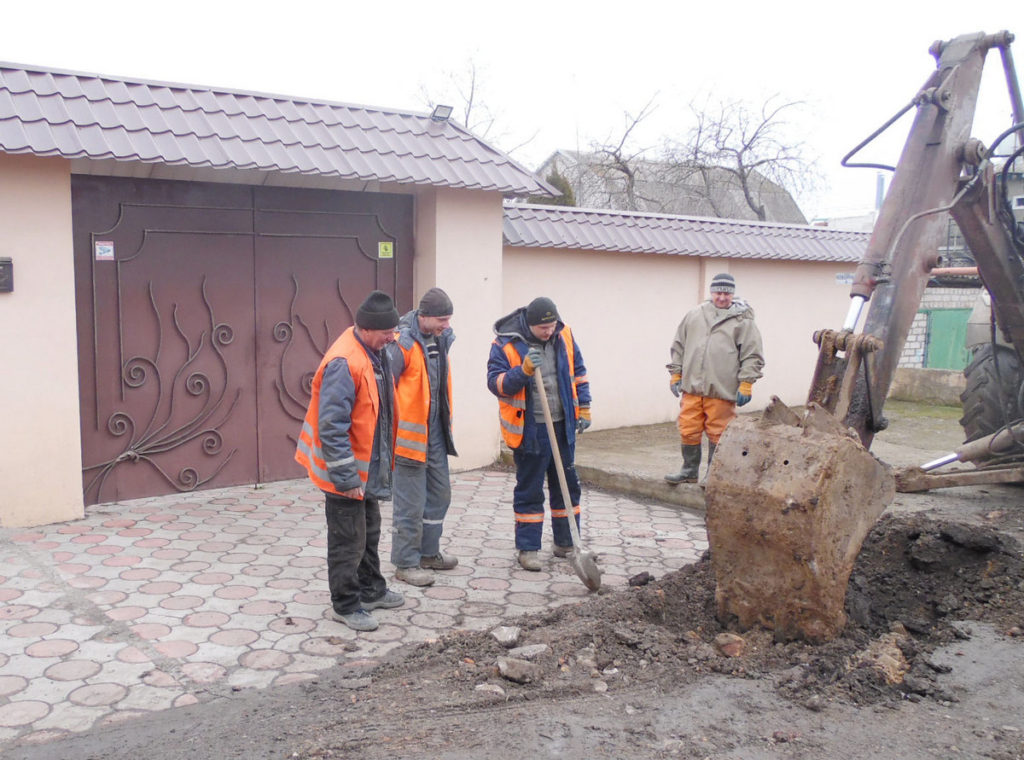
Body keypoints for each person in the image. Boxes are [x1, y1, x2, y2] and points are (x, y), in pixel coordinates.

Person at [294, 290, 406, 632]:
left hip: (368, 465)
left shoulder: (375, 350)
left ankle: (371, 589)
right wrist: (347, 478)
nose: (393, 338)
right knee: (348, 538)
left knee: (369, 531)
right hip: (344, 472)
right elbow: (332, 426)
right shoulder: (344, 362)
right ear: (367, 328)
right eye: (388, 332)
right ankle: (345, 604)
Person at [487, 296, 592, 571]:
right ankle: (528, 548)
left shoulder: (564, 334)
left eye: (552, 325)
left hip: (563, 423)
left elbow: (578, 371)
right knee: (530, 489)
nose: (549, 331)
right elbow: (496, 383)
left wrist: (585, 407)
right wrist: (522, 371)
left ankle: (567, 542)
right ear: (530, 325)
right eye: (543, 328)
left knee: (568, 485)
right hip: (530, 428)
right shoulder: (506, 344)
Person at [386, 287, 459, 587]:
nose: (447, 325)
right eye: (442, 319)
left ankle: (428, 554)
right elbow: (385, 389)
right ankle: (405, 563)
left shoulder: (439, 340)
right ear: (425, 316)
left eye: (448, 319)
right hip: (408, 441)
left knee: (440, 495)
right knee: (410, 505)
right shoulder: (401, 343)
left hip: (436, 436)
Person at [664, 272, 765, 484]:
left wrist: (746, 383)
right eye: (718, 292)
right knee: (688, 427)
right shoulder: (694, 315)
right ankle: (689, 471)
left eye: (727, 294)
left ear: (732, 294)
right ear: (712, 292)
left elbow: (752, 354)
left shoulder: (743, 321)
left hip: (720, 389)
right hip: (692, 387)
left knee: (718, 432)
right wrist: (676, 374)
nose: (722, 297)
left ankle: (714, 473)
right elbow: (679, 345)